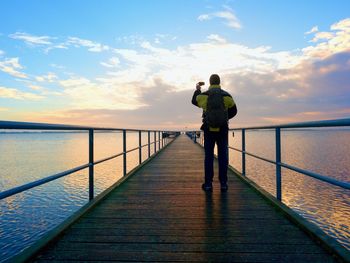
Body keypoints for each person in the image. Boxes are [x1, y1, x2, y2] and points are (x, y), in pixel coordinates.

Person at [191, 74, 237, 192]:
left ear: (210, 83)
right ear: (219, 82)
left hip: (208, 129)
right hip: (222, 130)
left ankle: (208, 184)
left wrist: (197, 89)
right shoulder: (226, 96)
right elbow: (234, 111)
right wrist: (224, 118)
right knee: (222, 157)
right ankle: (223, 184)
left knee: (209, 157)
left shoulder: (204, 96)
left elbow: (193, 101)